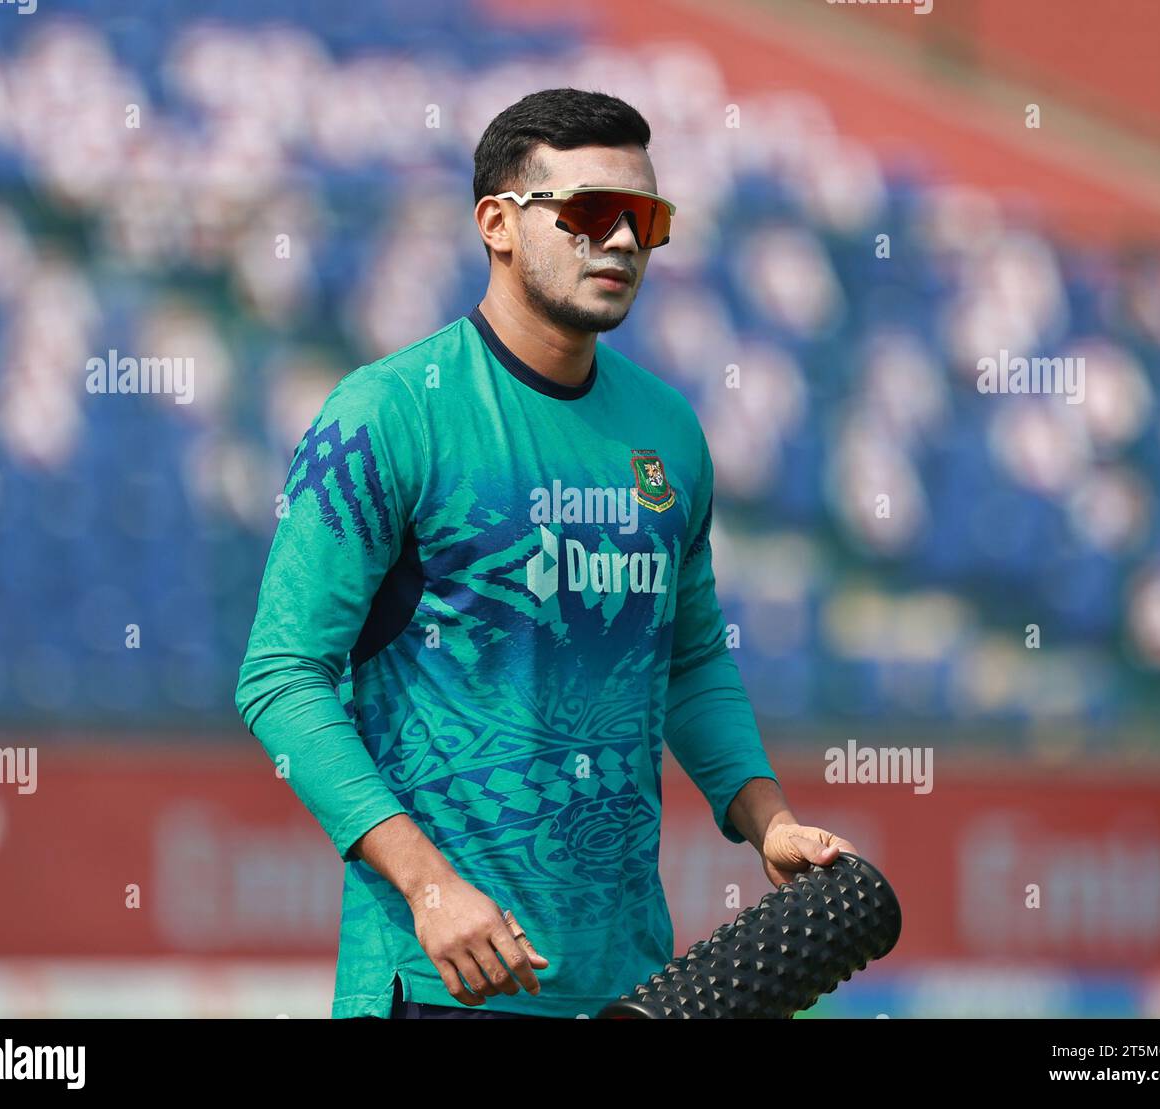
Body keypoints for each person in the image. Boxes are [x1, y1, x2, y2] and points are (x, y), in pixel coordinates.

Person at [235, 87, 857, 1020]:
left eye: (644, 218)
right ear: (495, 222)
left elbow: (687, 663)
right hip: (436, 983)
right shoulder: (388, 413)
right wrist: (428, 885)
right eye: (589, 213)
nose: (621, 241)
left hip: (636, 985)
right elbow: (280, 677)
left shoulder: (670, 432)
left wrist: (769, 822)